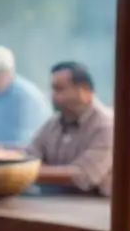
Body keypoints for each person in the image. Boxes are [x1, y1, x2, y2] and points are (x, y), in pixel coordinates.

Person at [29, 61, 114, 195]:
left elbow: (83, 175)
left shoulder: (107, 126)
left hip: (96, 209)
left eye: (60, 89)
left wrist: (31, 172)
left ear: (85, 91)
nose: (53, 96)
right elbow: (30, 156)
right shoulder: (53, 123)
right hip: (52, 203)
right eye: (53, 89)